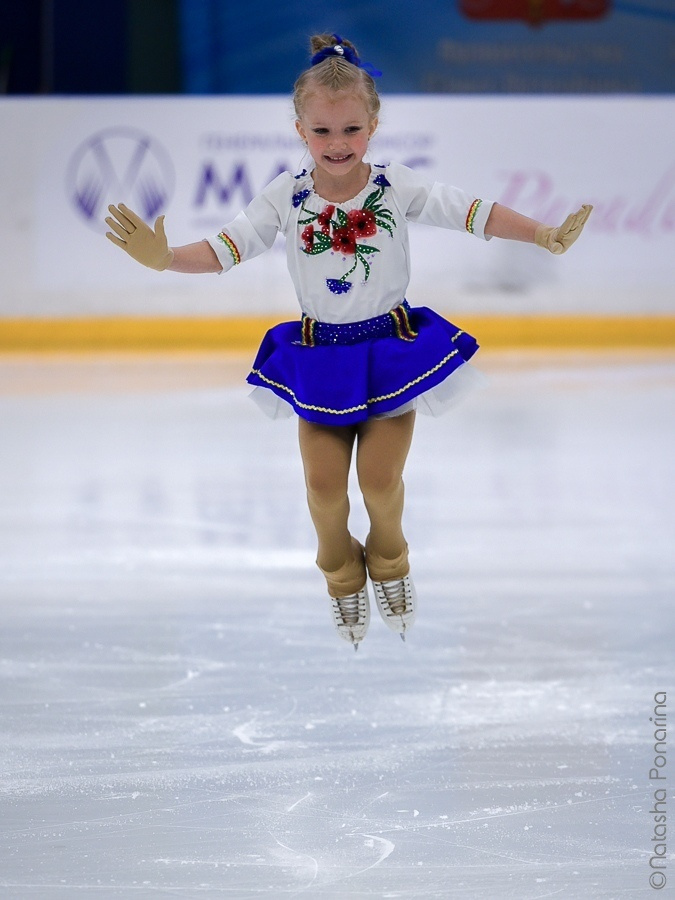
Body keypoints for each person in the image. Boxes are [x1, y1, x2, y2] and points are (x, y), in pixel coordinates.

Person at [105, 33, 592, 651]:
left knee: (381, 485)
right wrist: (165, 258)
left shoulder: (395, 187)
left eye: (351, 130)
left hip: (391, 352)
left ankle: (390, 558)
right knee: (323, 489)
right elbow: (224, 249)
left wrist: (543, 234)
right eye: (323, 132)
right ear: (300, 130)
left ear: (374, 126)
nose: (338, 145)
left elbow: (473, 212)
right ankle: (339, 571)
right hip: (319, 360)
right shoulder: (286, 198)